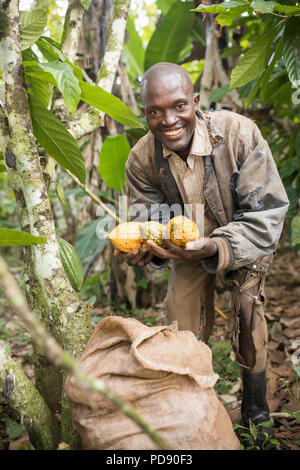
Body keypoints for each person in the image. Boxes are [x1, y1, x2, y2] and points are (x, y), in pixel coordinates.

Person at [113, 62, 289, 438]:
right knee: (180, 326)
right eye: (154, 111)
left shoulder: (239, 133)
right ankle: (192, 414)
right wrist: (152, 250)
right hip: (186, 248)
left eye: (179, 105)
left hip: (243, 239)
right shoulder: (142, 161)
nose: (168, 119)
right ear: (144, 112)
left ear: (195, 102)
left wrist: (214, 245)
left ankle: (256, 413)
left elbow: (267, 213)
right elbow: (152, 223)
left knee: (247, 315)